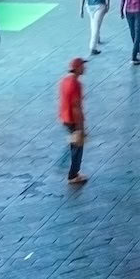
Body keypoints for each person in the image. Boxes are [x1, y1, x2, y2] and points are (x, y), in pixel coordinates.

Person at [59, 56, 89, 185]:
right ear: (77, 69)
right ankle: (73, 174)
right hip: (73, 119)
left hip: (65, 117)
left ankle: (71, 168)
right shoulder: (76, 84)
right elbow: (76, 106)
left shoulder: (65, 81)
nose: (84, 68)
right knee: (78, 146)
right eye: (82, 66)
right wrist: (81, 126)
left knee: (74, 143)